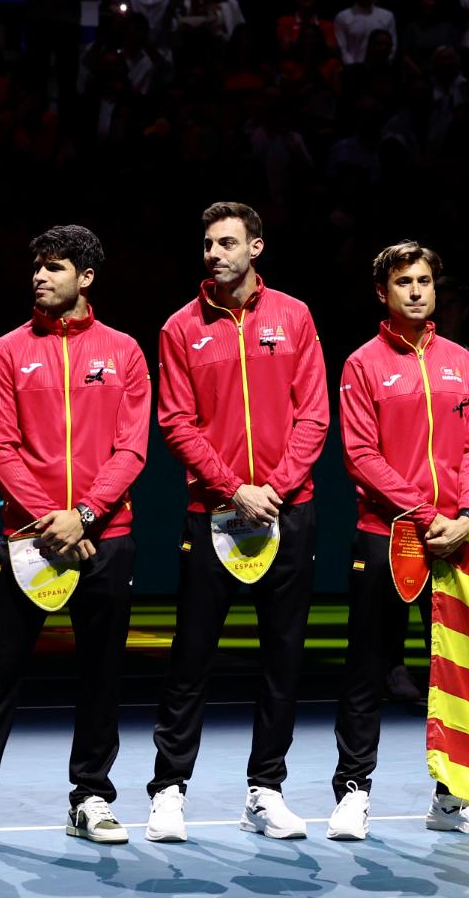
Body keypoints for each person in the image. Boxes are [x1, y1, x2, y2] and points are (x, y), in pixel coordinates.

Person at [0, 226, 150, 845]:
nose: (40, 277)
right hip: (28, 539)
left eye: (54, 267)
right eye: (36, 266)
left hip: (106, 539)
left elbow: (132, 447)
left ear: (85, 278)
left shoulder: (124, 352)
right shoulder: (4, 353)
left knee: (102, 675)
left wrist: (84, 514)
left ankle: (90, 796)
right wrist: (52, 521)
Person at [147, 202, 329, 843]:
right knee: (190, 658)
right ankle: (169, 790)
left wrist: (272, 490)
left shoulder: (295, 317)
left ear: (256, 247)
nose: (214, 253)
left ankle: (266, 791)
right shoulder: (179, 328)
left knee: (283, 658)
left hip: (288, 511)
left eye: (227, 243)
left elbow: (313, 416)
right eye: (207, 244)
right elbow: (176, 422)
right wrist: (234, 489)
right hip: (213, 513)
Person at [327, 241, 469, 840]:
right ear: (384, 292)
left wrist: (468, 514)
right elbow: (360, 455)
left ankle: (452, 797)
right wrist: (427, 513)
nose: (417, 291)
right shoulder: (362, 364)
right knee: (368, 667)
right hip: (387, 537)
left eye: (425, 280)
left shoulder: (461, 361)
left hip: (454, 539)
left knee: (454, 670)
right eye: (404, 282)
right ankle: (353, 791)